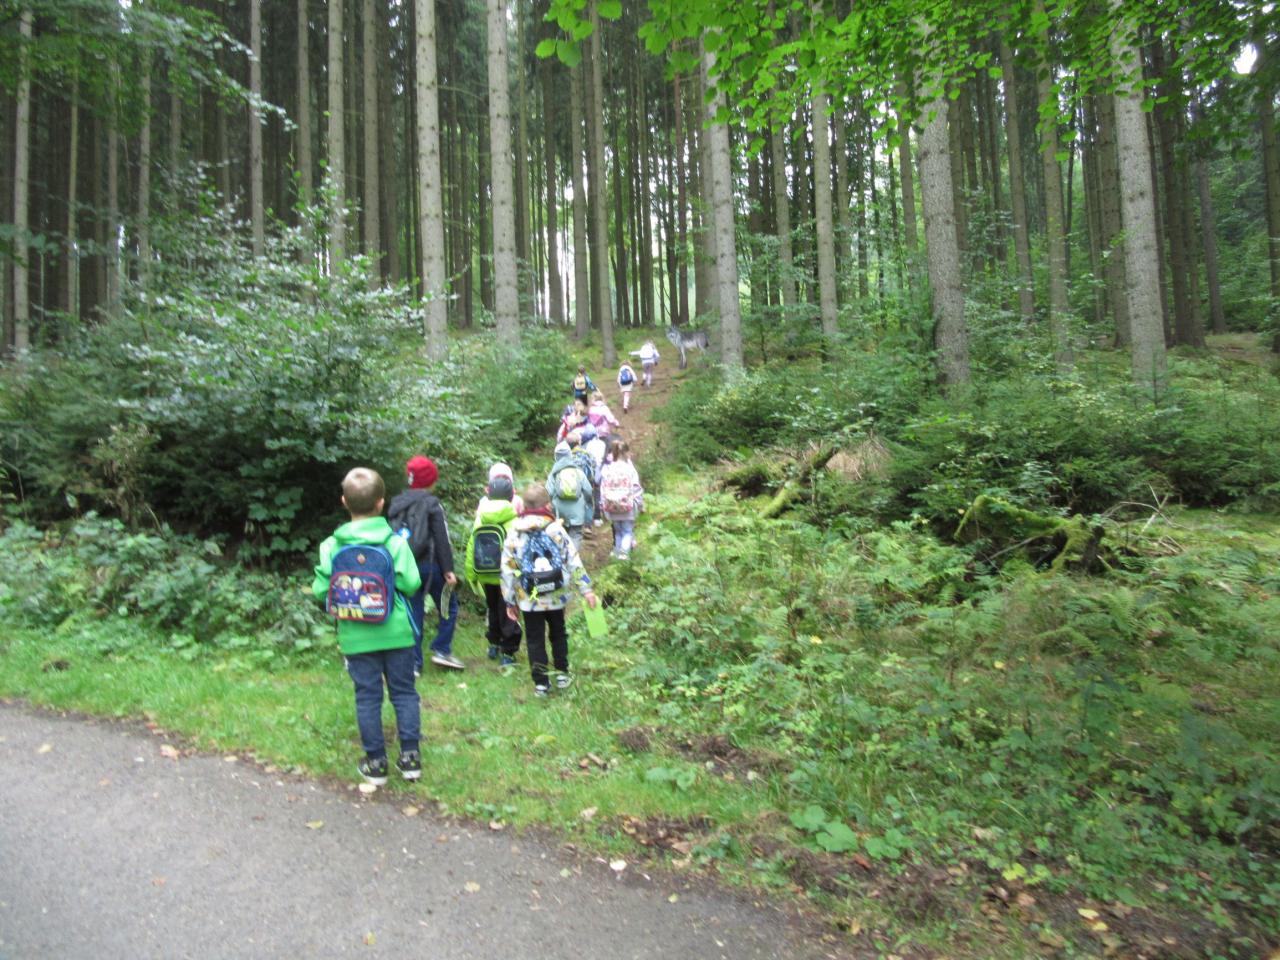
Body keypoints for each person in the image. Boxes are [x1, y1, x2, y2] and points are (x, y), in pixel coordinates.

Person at [312, 467, 423, 785]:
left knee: (367, 697)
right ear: (381, 502)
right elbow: (412, 583)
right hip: (397, 632)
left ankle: (376, 763)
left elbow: (321, 590)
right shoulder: (395, 543)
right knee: (404, 693)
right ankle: (410, 759)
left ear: (344, 501)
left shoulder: (331, 546)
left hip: (355, 635)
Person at [501, 482, 598, 697]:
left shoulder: (514, 532)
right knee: (558, 633)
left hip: (529, 597)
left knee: (534, 638)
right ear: (547, 506)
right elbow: (573, 560)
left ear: (523, 506)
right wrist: (586, 589)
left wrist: (510, 600)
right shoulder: (555, 529)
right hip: (556, 594)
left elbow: (508, 568)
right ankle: (562, 674)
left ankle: (541, 683)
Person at [387, 455, 462, 673]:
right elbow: (441, 538)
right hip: (432, 567)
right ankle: (442, 649)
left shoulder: (397, 503)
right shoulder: (432, 504)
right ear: (431, 480)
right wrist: (448, 569)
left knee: (414, 613)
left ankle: (414, 664)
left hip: (406, 567)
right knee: (448, 605)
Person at [465, 466, 524, 666]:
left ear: (488, 494)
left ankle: (493, 644)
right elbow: (519, 549)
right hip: (507, 576)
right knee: (508, 610)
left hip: (485, 572)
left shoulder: (481, 518)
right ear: (511, 496)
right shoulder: (514, 519)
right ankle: (508, 652)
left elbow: (472, 545)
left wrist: (472, 574)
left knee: (492, 608)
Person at [600, 440, 643, 561]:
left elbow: (603, 489)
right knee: (627, 531)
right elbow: (636, 487)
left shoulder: (608, 469)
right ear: (625, 453)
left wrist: (603, 505)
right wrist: (639, 504)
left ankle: (617, 554)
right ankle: (623, 555)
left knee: (618, 531)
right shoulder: (629, 469)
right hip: (627, 505)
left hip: (611, 506)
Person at [547, 439, 593, 552]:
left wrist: (552, 504)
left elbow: (549, 492)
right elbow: (588, 490)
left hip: (559, 510)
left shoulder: (554, 473)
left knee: (561, 534)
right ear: (570, 455)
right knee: (576, 535)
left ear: (555, 456)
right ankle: (573, 557)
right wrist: (585, 501)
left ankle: (563, 557)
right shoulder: (578, 472)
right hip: (577, 510)